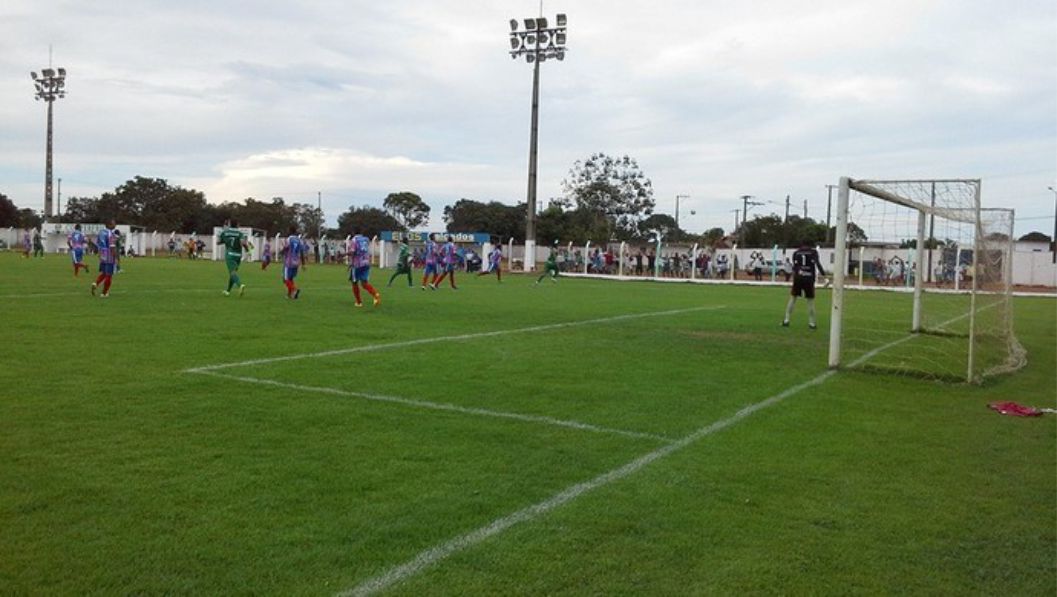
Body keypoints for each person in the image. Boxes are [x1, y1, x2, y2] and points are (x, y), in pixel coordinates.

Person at [782, 240, 827, 329]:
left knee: (793, 298)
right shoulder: (813, 252)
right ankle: (812, 323)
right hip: (809, 278)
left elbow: (794, 267)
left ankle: (786, 320)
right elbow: (817, 264)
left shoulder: (796, 253)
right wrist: (824, 276)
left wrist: (798, 273)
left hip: (798, 278)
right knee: (810, 301)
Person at [217, 219, 252, 296]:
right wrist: (247, 251)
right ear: (237, 225)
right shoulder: (239, 233)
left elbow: (218, 242)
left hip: (230, 255)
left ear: (229, 224)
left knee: (232, 273)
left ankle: (240, 285)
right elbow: (243, 243)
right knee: (233, 273)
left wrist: (225, 239)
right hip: (238, 255)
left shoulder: (225, 233)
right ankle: (228, 291)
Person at [348, 233, 381, 307]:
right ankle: (375, 294)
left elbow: (352, 252)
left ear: (353, 232)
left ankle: (359, 302)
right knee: (364, 283)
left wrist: (347, 254)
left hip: (357, 265)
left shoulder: (354, 240)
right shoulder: (366, 239)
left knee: (354, 282)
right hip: (366, 263)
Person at [91, 220, 118, 297]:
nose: (115, 225)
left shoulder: (101, 232)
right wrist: (115, 258)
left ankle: (96, 283)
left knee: (104, 273)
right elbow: (112, 247)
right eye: (113, 224)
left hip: (102, 255)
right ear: (109, 225)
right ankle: (104, 293)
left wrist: (99, 253)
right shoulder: (111, 234)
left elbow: (98, 244)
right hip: (109, 255)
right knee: (109, 275)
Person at [279, 226, 306, 299]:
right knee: (290, 279)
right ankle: (289, 294)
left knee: (285, 279)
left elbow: (285, 249)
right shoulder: (299, 240)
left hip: (289, 262)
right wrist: (303, 264)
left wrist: (281, 251)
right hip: (296, 262)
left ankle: (295, 289)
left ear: (290, 231)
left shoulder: (289, 239)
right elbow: (302, 252)